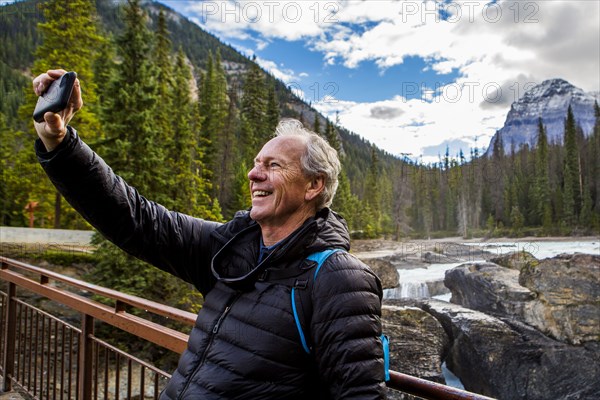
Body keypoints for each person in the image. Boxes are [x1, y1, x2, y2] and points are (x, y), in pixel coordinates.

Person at [33, 69, 386, 399]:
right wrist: (61, 144)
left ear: (313, 185)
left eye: (273, 166)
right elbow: (135, 219)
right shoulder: (230, 249)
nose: (253, 174)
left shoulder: (339, 278)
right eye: (255, 163)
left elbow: (361, 394)